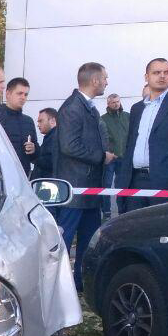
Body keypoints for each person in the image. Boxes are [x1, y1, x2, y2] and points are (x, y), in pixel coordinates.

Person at [55, 62, 114, 291]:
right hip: (76, 189)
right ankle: (57, 286)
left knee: (89, 241)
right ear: (95, 81)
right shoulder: (72, 108)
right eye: (105, 78)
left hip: (90, 189)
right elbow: (69, 146)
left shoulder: (88, 107)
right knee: (65, 240)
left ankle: (80, 284)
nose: (107, 82)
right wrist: (101, 156)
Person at [116, 58, 168, 211]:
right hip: (133, 179)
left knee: (160, 230)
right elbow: (131, 143)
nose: (162, 76)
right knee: (133, 229)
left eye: (166, 72)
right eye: (157, 72)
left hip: (164, 181)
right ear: (146, 77)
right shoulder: (137, 108)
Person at [0, 77, 37, 175]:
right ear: (8, 94)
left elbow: (35, 155)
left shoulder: (28, 121)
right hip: (0, 174)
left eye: (26, 94)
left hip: (22, 176)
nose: (23, 97)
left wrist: (34, 149)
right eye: (19, 93)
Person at [100, 93, 130, 216]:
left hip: (125, 157)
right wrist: (109, 153)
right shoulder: (103, 119)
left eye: (117, 101)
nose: (116, 104)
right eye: (113, 102)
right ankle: (106, 212)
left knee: (122, 185)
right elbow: (103, 138)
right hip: (111, 158)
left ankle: (122, 211)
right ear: (108, 104)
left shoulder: (127, 116)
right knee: (106, 184)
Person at [34, 107, 59, 179]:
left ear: (53, 121)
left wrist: (34, 156)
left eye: (40, 121)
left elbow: (51, 162)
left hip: (49, 184)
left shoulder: (55, 138)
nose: (38, 125)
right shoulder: (50, 136)